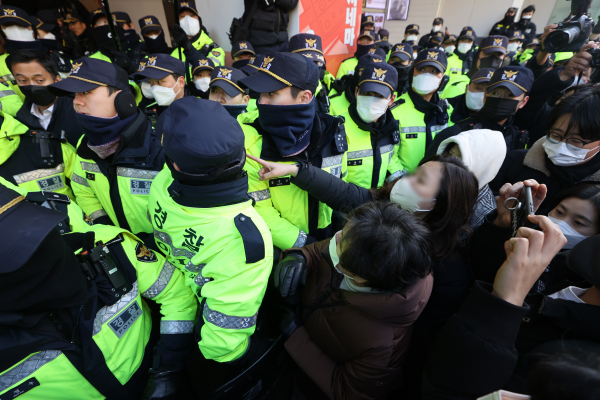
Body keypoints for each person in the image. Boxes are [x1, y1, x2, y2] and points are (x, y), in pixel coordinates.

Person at [249, 153, 479, 398]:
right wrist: (302, 255)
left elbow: (359, 380)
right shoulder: (381, 212)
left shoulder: (440, 273)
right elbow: (334, 229)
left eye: (420, 180)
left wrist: (297, 337)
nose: (406, 179)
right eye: (413, 171)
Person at [0, 183, 198, 399]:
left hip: (159, 374)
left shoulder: (109, 245)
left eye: (36, 229)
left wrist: (167, 367)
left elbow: (176, 295)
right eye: (21, 251)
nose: (41, 248)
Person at [148, 98, 273, 393]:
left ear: (177, 165)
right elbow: (222, 346)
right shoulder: (242, 238)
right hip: (208, 337)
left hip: (173, 309)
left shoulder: (166, 183)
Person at [276, 201, 434, 399]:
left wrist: (296, 336)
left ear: (360, 278)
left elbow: (347, 391)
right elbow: (319, 251)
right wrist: (300, 256)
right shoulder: (363, 247)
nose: (337, 237)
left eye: (342, 241)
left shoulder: (385, 346)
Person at [240, 52, 348, 250]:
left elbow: (342, 185)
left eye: (271, 94)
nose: (260, 102)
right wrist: (309, 248)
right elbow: (261, 212)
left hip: (331, 240)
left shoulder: (333, 131)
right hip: (281, 250)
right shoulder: (249, 141)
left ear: (304, 97)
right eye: (260, 94)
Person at [48, 58, 163, 240]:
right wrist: (106, 227)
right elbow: (83, 189)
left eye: (86, 92)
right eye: (74, 94)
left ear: (122, 98)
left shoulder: (160, 147)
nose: (77, 102)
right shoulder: (84, 145)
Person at [471, 180, 600, 294]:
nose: (560, 223)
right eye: (559, 212)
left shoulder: (585, 284)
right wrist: (500, 225)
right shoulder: (526, 236)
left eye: (578, 223)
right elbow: (478, 270)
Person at [490, 85, 600, 216]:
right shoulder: (515, 160)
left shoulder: (595, 191)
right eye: (555, 135)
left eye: (576, 141)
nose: (561, 145)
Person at [429, 66, 533, 155]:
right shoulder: (455, 134)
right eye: (495, 93)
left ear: (523, 102)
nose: (501, 100)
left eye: (511, 95)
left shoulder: (518, 138)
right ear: (485, 96)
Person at [338, 61, 402, 189]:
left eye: (379, 96)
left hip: (377, 205)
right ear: (356, 92)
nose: (372, 100)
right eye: (367, 93)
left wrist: (400, 182)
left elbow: (390, 160)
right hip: (344, 205)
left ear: (392, 100)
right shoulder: (336, 126)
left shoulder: (391, 127)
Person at [389, 48, 453, 175]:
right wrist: (404, 181)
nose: (426, 75)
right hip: (404, 185)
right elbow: (389, 156)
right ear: (412, 71)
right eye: (422, 69)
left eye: (434, 71)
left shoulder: (447, 110)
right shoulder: (394, 111)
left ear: (443, 78)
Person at [8, 50, 84, 148]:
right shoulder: (20, 120)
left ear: (57, 80)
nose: (32, 86)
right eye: (22, 80)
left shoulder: (79, 112)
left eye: (39, 80)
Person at [435, 129, 506, 228]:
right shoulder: (437, 181)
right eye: (450, 154)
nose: (448, 162)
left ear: (481, 165)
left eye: (460, 158)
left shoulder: (483, 213)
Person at [0, 6, 41, 101]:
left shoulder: (55, 58)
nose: (16, 29)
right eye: (8, 25)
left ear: (33, 29)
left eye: (22, 25)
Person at [169, 1, 225, 67]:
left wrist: (187, 47)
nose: (187, 20)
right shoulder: (174, 54)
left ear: (199, 21)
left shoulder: (214, 49)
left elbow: (210, 70)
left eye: (191, 15)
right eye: (183, 16)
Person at [288, 33, 332, 114]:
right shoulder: (279, 91)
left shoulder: (329, 86)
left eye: (316, 62)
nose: (312, 67)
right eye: (305, 62)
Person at [440, 28, 476, 99]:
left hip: (467, 97)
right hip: (448, 97)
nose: (465, 43)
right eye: (463, 40)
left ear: (472, 43)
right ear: (458, 41)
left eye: (469, 41)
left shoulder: (474, 61)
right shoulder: (448, 59)